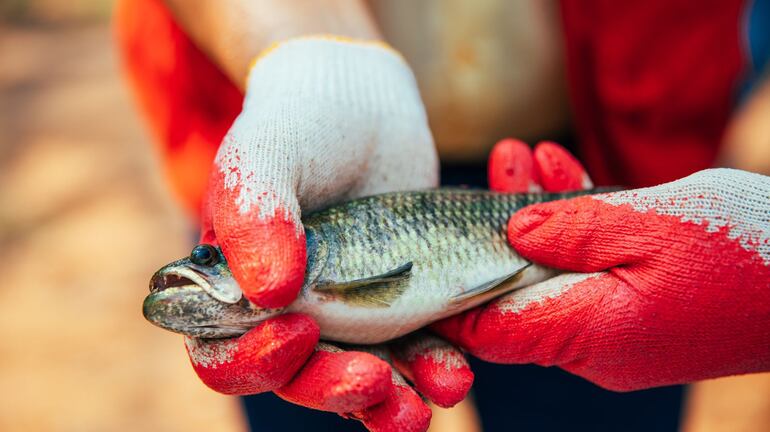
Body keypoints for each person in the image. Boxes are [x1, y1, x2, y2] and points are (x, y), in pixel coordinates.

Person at [114, 1, 770, 431]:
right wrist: (313, 58)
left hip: (610, 136)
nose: (202, 271)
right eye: (209, 265)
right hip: (302, 159)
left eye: (209, 263)